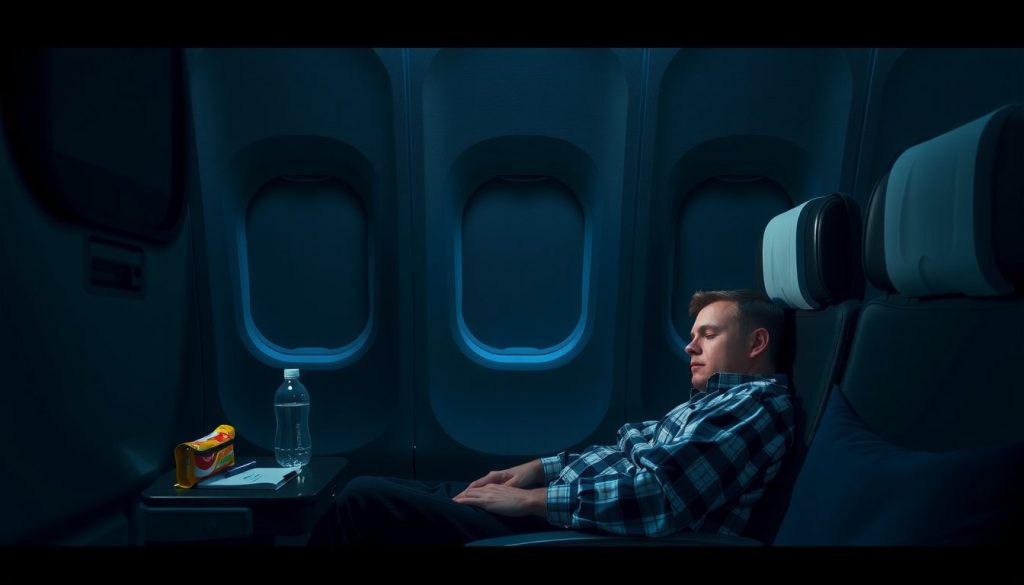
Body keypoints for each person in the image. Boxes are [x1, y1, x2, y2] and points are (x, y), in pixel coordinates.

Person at [309, 289, 794, 545]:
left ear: (756, 344)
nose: (689, 346)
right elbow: (628, 454)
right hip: (571, 513)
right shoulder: (712, 402)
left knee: (364, 500)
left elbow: (658, 497)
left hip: (591, 534)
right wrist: (540, 468)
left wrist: (533, 500)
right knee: (399, 491)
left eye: (707, 335)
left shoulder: (752, 409)